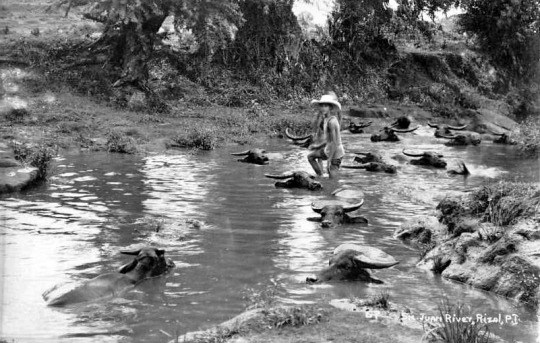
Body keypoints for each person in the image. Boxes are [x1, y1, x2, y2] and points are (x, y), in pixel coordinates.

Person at [307, 92, 345, 178]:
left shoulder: (332, 122)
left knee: (332, 177)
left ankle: (331, 183)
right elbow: (329, 140)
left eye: (326, 106)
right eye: (322, 106)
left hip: (336, 153)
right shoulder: (326, 119)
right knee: (310, 157)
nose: (323, 108)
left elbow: (334, 143)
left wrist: (329, 160)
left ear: (330, 107)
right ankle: (321, 176)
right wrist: (316, 147)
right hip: (328, 150)